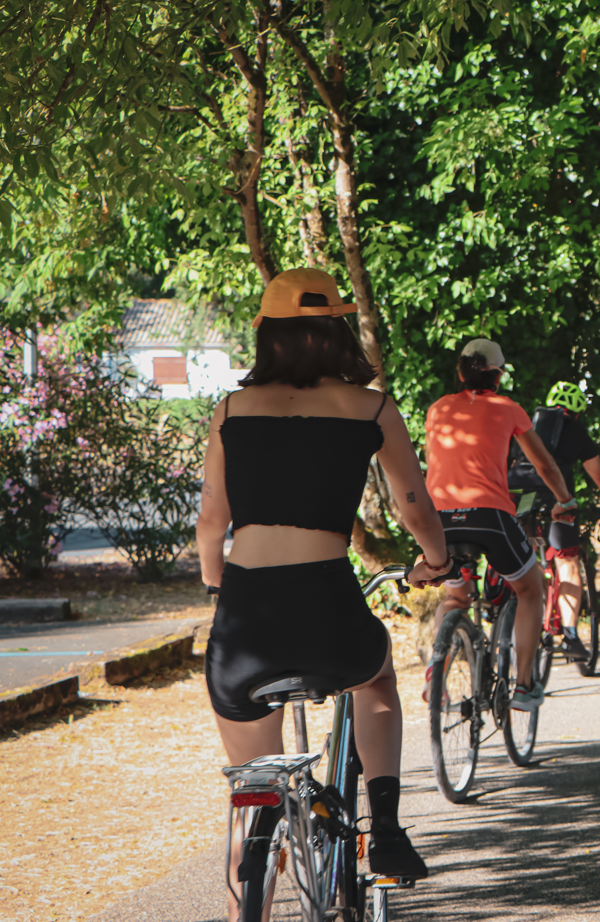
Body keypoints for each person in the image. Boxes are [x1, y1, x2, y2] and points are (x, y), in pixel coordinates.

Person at [196, 268, 448, 908]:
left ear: (268, 335)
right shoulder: (370, 407)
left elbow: (211, 525)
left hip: (244, 620)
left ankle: (245, 901)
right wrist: (434, 559)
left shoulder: (231, 409)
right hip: (327, 607)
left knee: (250, 798)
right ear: (337, 329)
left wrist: (216, 584)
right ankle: (385, 829)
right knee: (377, 680)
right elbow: (414, 508)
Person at [423, 339, 575, 712]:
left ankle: (435, 674)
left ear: (460, 373)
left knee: (456, 596)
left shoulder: (438, 408)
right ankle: (524, 686)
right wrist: (565, 502)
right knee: (530, 588)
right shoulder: (508, 409)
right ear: (498, 376)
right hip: (488, 517)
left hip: (437, 521)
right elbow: (544, 466)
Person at [520, 382, 600, 661]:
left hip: (522, 497)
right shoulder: (574, 428)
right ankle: (570, 635)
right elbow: (599, 475)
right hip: (558, 502)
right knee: (567, 561)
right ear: (577, 412)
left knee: (521, 554)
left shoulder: (527, 422)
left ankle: (503, 605)